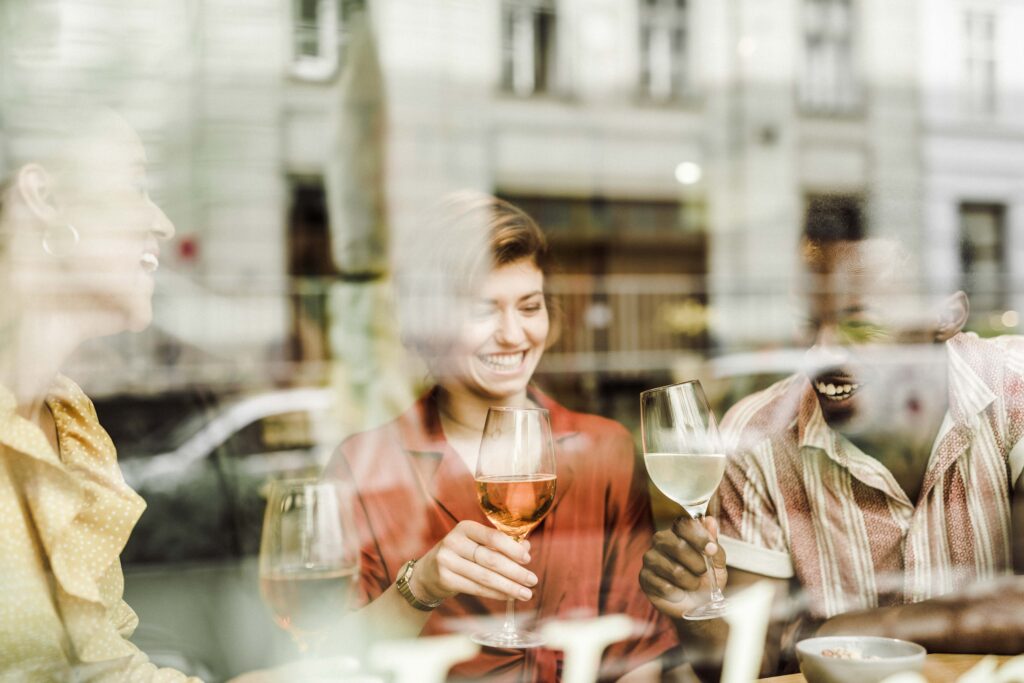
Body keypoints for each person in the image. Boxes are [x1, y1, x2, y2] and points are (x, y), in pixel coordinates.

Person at [323, 192, 677, 682]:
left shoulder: (605, 448)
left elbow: (638, 655)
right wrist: (420, 585)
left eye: (529, 307)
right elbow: (333, 661)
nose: (513, 335)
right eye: (483, 310)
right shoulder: (366, 464)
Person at [639, 230, 1024, 678]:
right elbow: (751, 660)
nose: (821, 352)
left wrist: (830, 631)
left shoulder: (1014, 389)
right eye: (810, 325)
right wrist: (696, 608)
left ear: (945, 316)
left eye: (858, 324)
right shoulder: (758, 435)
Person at [0, 107, 200, 681]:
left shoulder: (70, 423)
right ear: (45, 199)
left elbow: (99, 665)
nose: (161, 222)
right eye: (137, 185)